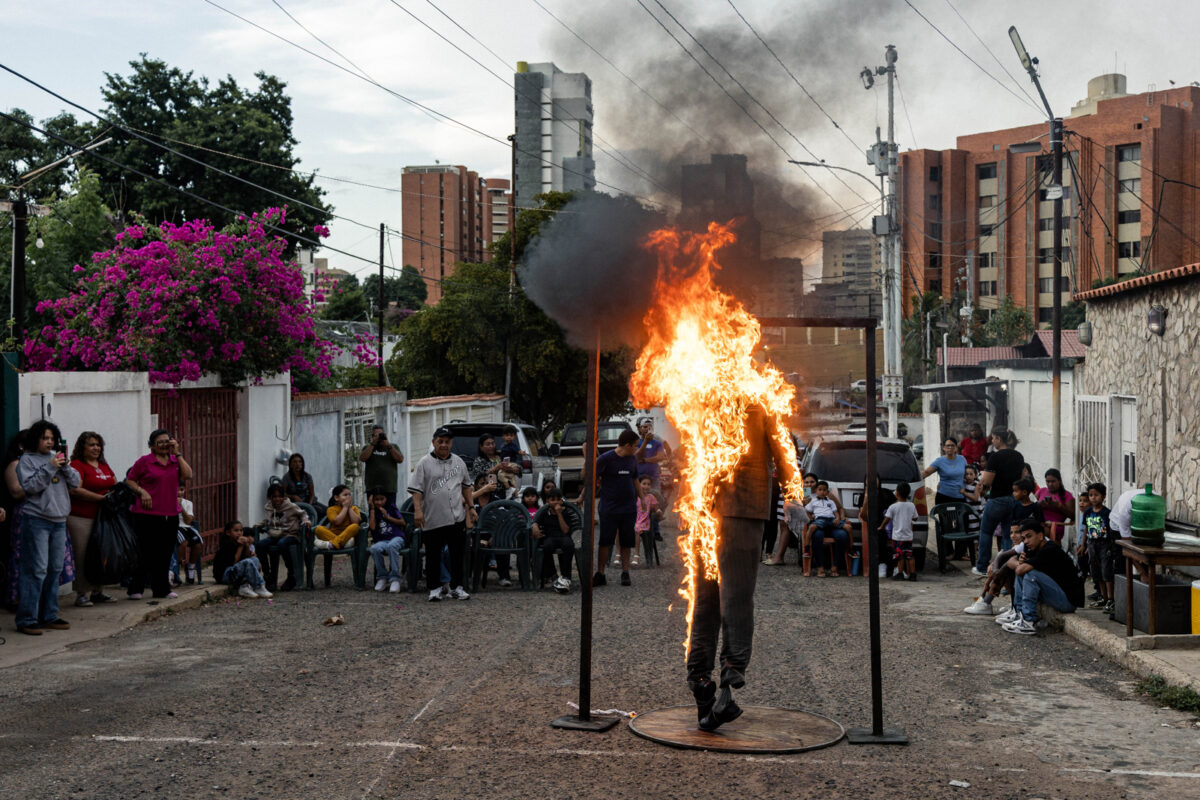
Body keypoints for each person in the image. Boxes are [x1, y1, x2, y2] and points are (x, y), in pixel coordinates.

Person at [688, 404, 800, 732]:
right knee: (732, 599)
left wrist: (794, 497)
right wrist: (794, 496)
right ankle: (724, 683)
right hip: (737, 507)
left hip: (709, 507)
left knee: (708, 602)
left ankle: (701, 682)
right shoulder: (762, 400)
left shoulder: (705, 392)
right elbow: (784, 449)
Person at [14, 421, 81, 635]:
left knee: (54, 569)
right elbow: (30, 487)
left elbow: (76, 483)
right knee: (36, 569)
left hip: (59, 520)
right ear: (35, 439)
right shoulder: (27, 460)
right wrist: (51, 466)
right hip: (37, 520)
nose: (49, 442)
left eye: (52, 438)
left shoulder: (57, 459)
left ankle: (49, 614)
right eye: (45, 438)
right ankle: (27, 618)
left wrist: (66, 466)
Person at [409, 426, 476, 602]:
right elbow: (416, 490)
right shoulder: (424, 463)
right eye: (440, 441)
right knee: (433, 555)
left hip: (456, 517)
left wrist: (471, 507)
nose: (444, 445)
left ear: (451, 443)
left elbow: (466, 487)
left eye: (447, 441)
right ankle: (434, 588)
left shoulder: (459, 462)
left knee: (457, 555)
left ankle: (456, 588)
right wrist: (417, 511)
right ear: (434, 442)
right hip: (433, 517)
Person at [126, 428, 192, 601]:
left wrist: (177, 454)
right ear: (152, 446)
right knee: (145, 552)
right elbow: (130, 480)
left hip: (170, 514)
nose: (164, 445)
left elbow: (188, 475)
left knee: (164, 553)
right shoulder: (144, 462)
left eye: (167, 441)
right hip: (147, 514)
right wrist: (142, 492)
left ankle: (161, 589)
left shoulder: (174, 461)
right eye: (160, 442)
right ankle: (136, 587)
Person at [1002, 519, 1083, 635]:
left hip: (1068, 601)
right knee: (1024, 570)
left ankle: (1028, 621)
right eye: (1024, 538)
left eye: (1029, 536)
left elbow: (1020, 570)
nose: (1026, 541)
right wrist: (1020, 563)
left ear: (1040, 536)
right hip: (1058, 594)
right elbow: (1010, 561)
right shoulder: (1035, 548)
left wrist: (1021, 565)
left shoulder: (1049, 549)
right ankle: (1018, 613)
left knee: (1030, 574)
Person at [66, 430, 118, 607]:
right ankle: (82, 593)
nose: (96, 448)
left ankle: (98, 591)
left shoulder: (103, 464)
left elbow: (113, 481)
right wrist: (101, 498)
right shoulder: (77, 465)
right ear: (83, 447)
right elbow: (75, 489)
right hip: (81, 517)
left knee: (101, 553)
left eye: (98, 445)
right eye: (91, 445)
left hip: (103, 518)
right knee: (83, 555)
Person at [971, 426, 1025, 578]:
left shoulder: (995, 457)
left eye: (994, 438)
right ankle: (1007, 566)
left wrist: (981, 486)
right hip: (1013, 499)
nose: (992, 441)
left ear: (999, 439)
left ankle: (982, 566)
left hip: (997, 499)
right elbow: (1022, 477)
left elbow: (987, 481)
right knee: (1009, 534)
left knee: (986, 531)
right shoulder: (1018, 456)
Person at [593, 429, 640, 588]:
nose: (636, 449)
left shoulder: (632, 459)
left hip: (628, 508)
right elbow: (592, 478)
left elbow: (635, 480)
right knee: (605, 541)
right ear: (627, 445)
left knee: (627, 541)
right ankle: (600, 573)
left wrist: (642, 499)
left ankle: (625, 572)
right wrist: (585, 497)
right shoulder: (606, 459)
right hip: (609, 507)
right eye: (635, 446)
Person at [963, 525, 1029, 616]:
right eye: (1011, 533)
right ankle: (987, 601)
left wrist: (993, 574)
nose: (1013, 536)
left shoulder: (1023, 545)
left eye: (1017, 532)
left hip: (1027, 577)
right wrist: (993, 566)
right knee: (999, 566)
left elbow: (1002, 557)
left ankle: (986, 602)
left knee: (1003, 567)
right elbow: (1001, 554)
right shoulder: (1016, 545)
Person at [257, 483, 307, 591]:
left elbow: (302, 513)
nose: (277, 499)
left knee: (282, 544)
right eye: (274, 497)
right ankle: (267, 575)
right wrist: (261, 524)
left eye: (280, 496)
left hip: (291, 535)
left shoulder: (290, 506)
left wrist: (306, 521)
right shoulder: (268, 507)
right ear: (269, 497)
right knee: (260, 544)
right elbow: (268, 520)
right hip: (275, 535)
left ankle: (291, 575)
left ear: (284, 497)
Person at [531, 487, 579, 593]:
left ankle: (566, 576)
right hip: (550, 537)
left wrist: (559, 514)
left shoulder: (565, 512)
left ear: (561, 501)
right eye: (552, 500)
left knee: (568, 545)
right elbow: (535, 521)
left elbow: (566, 530)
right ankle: (553, 575)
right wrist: (534, 525)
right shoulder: (544, 512)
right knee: (546, 546)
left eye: (558, 499)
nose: (556, 502)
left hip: (563, 536)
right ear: (548, 501)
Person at [212, 520, 271, 599]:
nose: (239, 533)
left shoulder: (239, 542)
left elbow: (249, 559)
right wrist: (240, 546)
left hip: (236, 572)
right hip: (225, 575)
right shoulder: (227, 545)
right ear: (228, 533)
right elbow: (234, 562)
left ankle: (244, 586)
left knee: (254, 559)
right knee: (248, 562)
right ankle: (258, 586)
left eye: (241, 530)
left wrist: (246, 546)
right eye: (236, 531)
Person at [1079, 482, 1115, 612]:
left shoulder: (1107, 513)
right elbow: (1086, 529)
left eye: (1096, 495)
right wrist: (1084, 545)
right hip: (1092, 544)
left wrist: (1111, 547)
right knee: (1096, 571)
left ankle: (1111, 599)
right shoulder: (1088, 512)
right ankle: (1103, 597)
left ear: (1103, 496)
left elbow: (1111, 531)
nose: (1093, 498)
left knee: (1106, 571)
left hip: (1104, 545)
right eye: (1091, 495)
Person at [366, 487, 406, 593]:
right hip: (383, 540)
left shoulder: (392, 508)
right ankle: (382, 577)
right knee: (374, 548)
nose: (379, 502)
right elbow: (373, 527)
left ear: (386, 499)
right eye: (376, 500)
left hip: (397, 538)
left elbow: (403, 522)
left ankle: (395, 578)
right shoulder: (373, 511)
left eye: (381, 499)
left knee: (391, 546)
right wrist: (372, 509)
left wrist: (388, 517)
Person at [804, 481, 847, 578]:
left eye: (811, 482)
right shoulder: (806, 493)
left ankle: (835, 566)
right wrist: (809, 517)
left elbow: (839, 509)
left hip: (831, 522)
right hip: (819, 522)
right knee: (817, 535)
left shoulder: (829, 496)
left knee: (842, 535)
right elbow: (805, 509)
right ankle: (820, 566)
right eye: (806, 482)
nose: (809, 484)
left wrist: (839, 518)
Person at [360, 425, 404, 506]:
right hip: (372, 488)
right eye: (376, 435)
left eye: (381, 434)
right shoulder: (368, 447)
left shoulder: (393, 447)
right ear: (372, 436)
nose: (379, 438)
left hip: (389, 488)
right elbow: (363, 458)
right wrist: (373, 443)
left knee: (390, 512)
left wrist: (388, 445)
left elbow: (400, 459)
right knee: (373, 511)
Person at [884, 482, 919, 581]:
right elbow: (915, 518)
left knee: (899, 556)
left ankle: (900, 573)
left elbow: (887, 519)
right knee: (909, 555)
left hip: (898, 537)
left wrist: (881, 526)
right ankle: (913, 574)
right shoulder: (911, 505)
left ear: (897, 493)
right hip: (908, 536)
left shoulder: (893, 507)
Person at [923, 437, 968, 507]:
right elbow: (926, 472)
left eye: (952, 445)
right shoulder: (939, 461)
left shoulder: (962, 459)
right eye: (947, 445)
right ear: (944, 448)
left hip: (960, 496)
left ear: (956, 447)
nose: (950, 447)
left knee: (961, 517)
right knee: (945, 518)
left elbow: (968, 474)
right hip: (944, 497)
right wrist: (913, 481)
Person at [471, 434, 519, 498]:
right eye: (488, 444)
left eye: (493, 443)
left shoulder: (501, 455)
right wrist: (495, 468)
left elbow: (518, 468)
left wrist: (512, 469)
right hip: (490, 494)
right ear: (481, 447)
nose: (491, 446)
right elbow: (478, 477)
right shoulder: (479, 460)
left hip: (508, 493)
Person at [314, 485, 361, 550]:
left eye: (349, 494)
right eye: (345, 495)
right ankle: (342, 544)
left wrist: (349, 508)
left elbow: (356, 522)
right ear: (336, 498)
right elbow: (337, 522)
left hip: (348, 536)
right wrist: (345, 508)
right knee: (318, 529)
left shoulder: (354, 508)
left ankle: (331, 544)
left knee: (355, 526)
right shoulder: (331, 509)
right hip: (333, 534)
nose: (348, 497)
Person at [174, 485, 203, 586]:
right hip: (175, 527)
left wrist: (181, 507)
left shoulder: (188, 503)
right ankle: (176, 567)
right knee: (183, 542)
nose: (179, 492)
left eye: (181, 490)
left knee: (198, 544)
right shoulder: (167, 501)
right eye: (176, 489)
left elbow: (188, 520)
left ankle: (190, 567)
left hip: (186, 527)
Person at [1036, 469, 1075, 543]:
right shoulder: (1041, 491)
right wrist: (1039, 504)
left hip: (1056, 525)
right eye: (1048, 481)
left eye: (1053, 481)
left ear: (1059, 481)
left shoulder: (1067, 495)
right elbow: (1031, 506)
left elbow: (1072, 516)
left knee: (1040, 531)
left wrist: (1059, 506)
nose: (1050, 484)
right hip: (1040, 522)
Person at [635, 475, 663, 566]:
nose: (646, 486)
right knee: (635, 527)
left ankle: (637, 556)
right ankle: (624, 555)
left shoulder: (650, 497)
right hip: (634, 520)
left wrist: (658, 511)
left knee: (638, 529)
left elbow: (656, 508)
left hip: (645, 521)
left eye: (648, 484)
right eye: (644, 484)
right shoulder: (635, 496)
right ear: (638, 484)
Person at [1008, 478, 1045, 545]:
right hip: (1018, 538)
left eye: (1016, 491)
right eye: (1013, 491)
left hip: (1031, 539)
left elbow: (1041, 524)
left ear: (1024, 492)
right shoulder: (1015, 506)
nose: (1013, 493)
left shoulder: (1036, 507)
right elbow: (1012, 523)